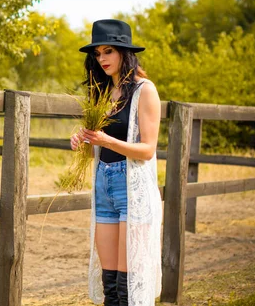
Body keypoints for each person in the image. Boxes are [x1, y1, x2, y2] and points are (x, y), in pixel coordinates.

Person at [71, 19, 162, 306]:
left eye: (108, 51)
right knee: (110, 284)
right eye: (97, 54)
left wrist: (106, 140)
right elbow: (94, 150)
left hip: (131, 188)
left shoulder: (144, 90)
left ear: (125, 52)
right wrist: (82, 141)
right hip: (104, 184)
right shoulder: (99, 95)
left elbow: (147, 149)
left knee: (128, 286)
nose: (102, 59)